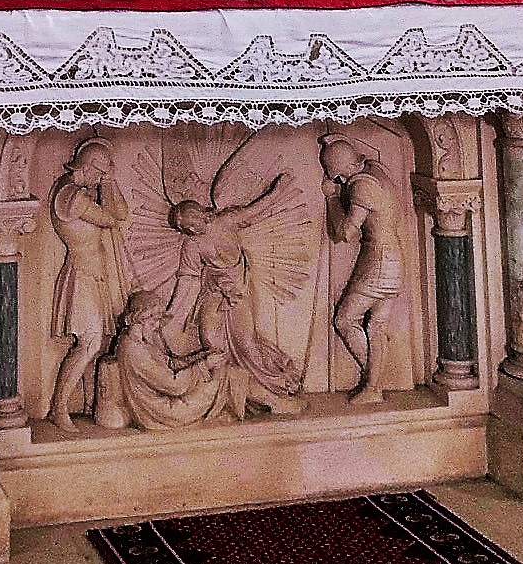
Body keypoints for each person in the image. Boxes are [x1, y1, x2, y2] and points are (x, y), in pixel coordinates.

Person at [164, 190, 306, 416]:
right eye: (185, 229)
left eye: (190, 224)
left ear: (200, 215)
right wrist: (172, 312)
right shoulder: (192, 244)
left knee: (246, 343)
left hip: (239, 291)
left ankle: (272, 384)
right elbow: (187, 278)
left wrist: (277, 191)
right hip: (212, 292)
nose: (190, 230)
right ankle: (222, 392)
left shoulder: (226, 221)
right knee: (210, 340)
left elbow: (254, 211)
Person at [47, 138, 131, 430]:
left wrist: (106, 179)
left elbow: (119, 214)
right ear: (88, 166)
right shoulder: (71, 195)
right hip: (82, 276)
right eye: (99, 172)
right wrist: (109, 183)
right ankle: (58, 407)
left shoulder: (76, 192)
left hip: (93, 275)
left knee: (94, 344)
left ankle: (87, 404)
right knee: (89, 342)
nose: (100, 179)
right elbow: (115, 218)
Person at [321, 138, 403, 405]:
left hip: (378, 261)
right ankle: (374, 386)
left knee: (345, 320)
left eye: (339, 175)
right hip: (394, 259)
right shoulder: (376, 169)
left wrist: (332, 198)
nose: (340, 180)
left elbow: (345, 233)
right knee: (376, 327)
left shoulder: (362, 186)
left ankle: (373, 383)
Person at [93, 288, 229, 431]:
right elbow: (174, 385)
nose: (157, 325)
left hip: (163, 403)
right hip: (162, 411)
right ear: (140, 317)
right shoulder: (134, 349)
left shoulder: (143, 340)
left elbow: (169, 363)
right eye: (154, 319)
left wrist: (200, 357)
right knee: (220, 378)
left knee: (221, 373)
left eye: (158, 319)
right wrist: (204, 365)